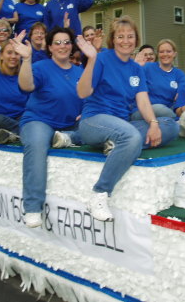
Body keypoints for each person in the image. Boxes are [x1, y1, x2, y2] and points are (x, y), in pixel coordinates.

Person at [76, 16, 179, 221]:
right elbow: (82, 92)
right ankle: (99, 193)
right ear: (113, 40)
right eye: (120, 36)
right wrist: (91, 60)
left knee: (171, 125)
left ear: (136, 39)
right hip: (94, 120)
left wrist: (153, 123)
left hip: (122, 124)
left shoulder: (136, 69)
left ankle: (116, 145)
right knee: (131, 136)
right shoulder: (102, 58)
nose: (126, 40)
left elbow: (143, 101)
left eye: (130, 36)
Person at [13, 27, 85, 228]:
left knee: (94, 125)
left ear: (72, 47)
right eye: (58, 43)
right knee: (37, 146)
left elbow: (89, 98)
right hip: (39, 121)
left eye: (66, 42)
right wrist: (26, 60)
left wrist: (85, 111)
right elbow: (26, 86)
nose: (62, 46)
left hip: (71, 124)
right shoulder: (41, 67)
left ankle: (67, 138)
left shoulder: (80, 72)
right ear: (50, 47)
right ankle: (32, 207)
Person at [131, 39, 185, 120]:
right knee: (159, 109)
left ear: (175, 54)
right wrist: (135, 66)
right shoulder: (148, 67)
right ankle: (177, 121)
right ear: (158, 54)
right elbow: (130, 81)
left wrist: (180, 94)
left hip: (167, 112)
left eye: (168, 51)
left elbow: (181, 95)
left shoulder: (179, 74)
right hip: (143, 110)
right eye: (161, 52)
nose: (165, 54)